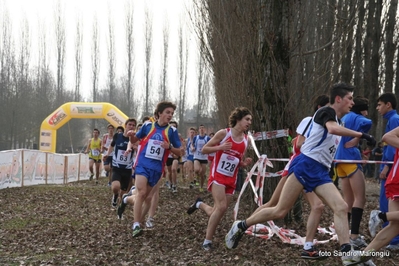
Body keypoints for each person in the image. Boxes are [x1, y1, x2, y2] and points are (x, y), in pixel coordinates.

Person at [224, 83, 376, 266]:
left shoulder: (340, 122)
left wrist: (362, 141)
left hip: (320, 171)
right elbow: (332, 130)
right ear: (338, 99)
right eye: (350, 98)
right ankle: (240, 225)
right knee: (279, 210)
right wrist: (362, 134)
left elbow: (340, 139)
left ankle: (346, 254)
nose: (352, 102)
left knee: (341, 207)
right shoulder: (326, 113)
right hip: (305, 165)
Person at [245, 94, 330, 259]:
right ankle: (244, 226)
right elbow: (298, 144)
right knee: (275, 205)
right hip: (298, 167)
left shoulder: (327, 126)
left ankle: (308, 246)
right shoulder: (310, 121)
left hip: (308, 169)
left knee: (317, 206)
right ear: (320, 108)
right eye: (328, 108)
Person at [186, 107, 253, 250]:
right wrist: (220, 147)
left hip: (231, 179)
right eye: (247, 119)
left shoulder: (246, 140)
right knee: (221, 207)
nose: (249, 122)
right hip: (217, 176)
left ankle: (200, 204)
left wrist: (243, 163)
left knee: (218, 210)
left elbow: (237, 160)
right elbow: (204, 149)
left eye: (250, 120)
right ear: (238, 119)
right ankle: (207, 241)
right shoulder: (224, 133)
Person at [118, 101, 182, 237]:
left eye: (172, 113)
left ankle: (126, 199)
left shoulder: (172, 131)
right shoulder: (148, 126)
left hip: (157, 169)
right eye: (167, 112)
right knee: (141, 193)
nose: (170, 115)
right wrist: (131, 135)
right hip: (142, 164)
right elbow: (136, 139)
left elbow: (180, 152)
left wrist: (169, 147)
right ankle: (136, 224)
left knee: (145, 197)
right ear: (159, 113)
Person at [334, 96, 372, 249]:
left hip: (339, 160)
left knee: (348, 201)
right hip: (350, 159)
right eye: (366, 110)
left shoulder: (344, 117)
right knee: (360, 198)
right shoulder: (357, 117)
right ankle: (354, 236)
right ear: (362, 109)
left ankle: (344, 236)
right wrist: (359, 137)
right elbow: (367, 123)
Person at [364, 125, 399, 255]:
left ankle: (363, 256)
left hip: (395, 180)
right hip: (397, 179)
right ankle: (380, 216)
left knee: (395, 227)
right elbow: (387, 137)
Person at [375, 92, 399, 249]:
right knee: (391, 215)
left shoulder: (394, 119)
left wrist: (386, 165)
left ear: (388, 104)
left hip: (392, 168)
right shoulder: (394, 120)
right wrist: (387, 165)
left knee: (393, 220)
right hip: (394, 171)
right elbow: (389, 140)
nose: (377, 108)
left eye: (379, 104)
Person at [103, 118, 136, 210]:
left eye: (133, 125)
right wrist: (107, 154)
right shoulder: (117, 136)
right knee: (115, 187)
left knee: (123, 192)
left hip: (127, 168)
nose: (131, 126)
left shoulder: (135, 138)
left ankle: (120, 208)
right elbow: (112, 146)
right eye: (130, 124)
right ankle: (114, 196)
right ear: (126, 125)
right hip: (117, 167)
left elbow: (138, 148)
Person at [191, 125, 211, 191]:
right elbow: (192, 144)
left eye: (203, 128)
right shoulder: (196, 137)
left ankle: (201, 187)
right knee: (197, 169)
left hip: (204, 157)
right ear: (199, 130)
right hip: (197, 156)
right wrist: (192, 148)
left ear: (204, 129)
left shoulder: (207, 138)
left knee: (202, 174)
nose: (201, 129)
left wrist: (208, 150)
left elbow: (210, 145)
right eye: (200, 128)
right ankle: (196, 177)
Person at [165, 121, 180, 193]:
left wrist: (177, 153)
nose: (173, 127)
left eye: (174, 126)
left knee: (174, 169)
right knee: (169, 171)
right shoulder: (165, 135)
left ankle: (174, 185)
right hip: (168, 156)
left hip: (175, 157)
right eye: (171, 126)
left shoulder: (178, 136)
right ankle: (170, 183)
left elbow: (181, 147)